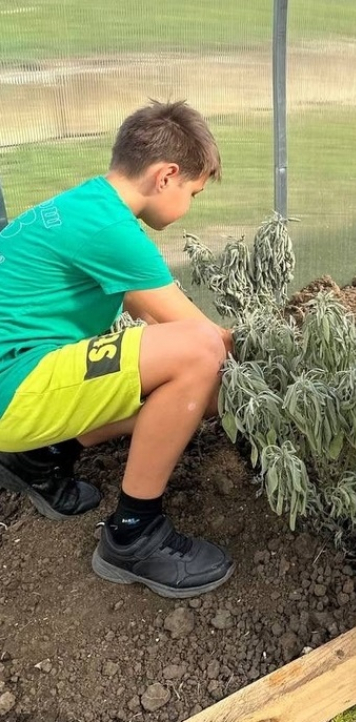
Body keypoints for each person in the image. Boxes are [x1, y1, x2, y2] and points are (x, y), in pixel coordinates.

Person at [0, 100, 236, 600]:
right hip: (14, 389)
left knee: (199, 383)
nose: (191, 204)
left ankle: (39, 456)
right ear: (166, 176)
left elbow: (152, 317)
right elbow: (205, 341)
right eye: (193, 192)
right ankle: (133, 533)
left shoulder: (87, 207)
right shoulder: (112, 231)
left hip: (19, 379)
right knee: (201, 355)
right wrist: (273, 363)